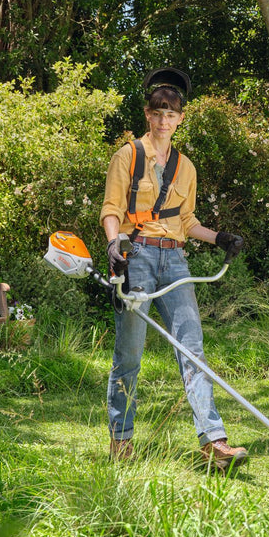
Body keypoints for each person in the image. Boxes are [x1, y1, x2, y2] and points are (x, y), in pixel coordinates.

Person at [99, 67, 246, 470]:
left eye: (172, 114)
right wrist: (115, 244)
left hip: (176, 260)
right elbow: (111, 210)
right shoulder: (127, 156)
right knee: (129, 353)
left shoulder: (187, 167)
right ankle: (122, 440)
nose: (164, 120)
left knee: (192, 350)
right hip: (138, 256)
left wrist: (219, 238)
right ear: (148, 114)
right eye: (158, 112)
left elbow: (187, 221)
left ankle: (214, 442)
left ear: (181, 118)